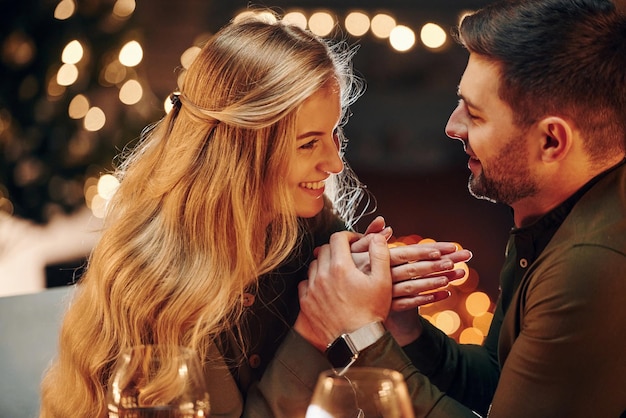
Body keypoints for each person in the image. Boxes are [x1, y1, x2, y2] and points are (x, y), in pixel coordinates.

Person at [39, 10, 472, 418]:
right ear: (241, 154)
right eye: (308, 143)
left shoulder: (307, 224)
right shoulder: (159, 285)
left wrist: (370, 298)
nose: (335, 164)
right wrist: (317, 331)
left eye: (333, 134)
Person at [296, 0, 626, 416]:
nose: (452, 127)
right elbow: (496, 380)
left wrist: (359, 334)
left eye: (474, 114)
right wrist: (403, 329)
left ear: (551, 142)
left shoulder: (591, 264)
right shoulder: (552, 212)